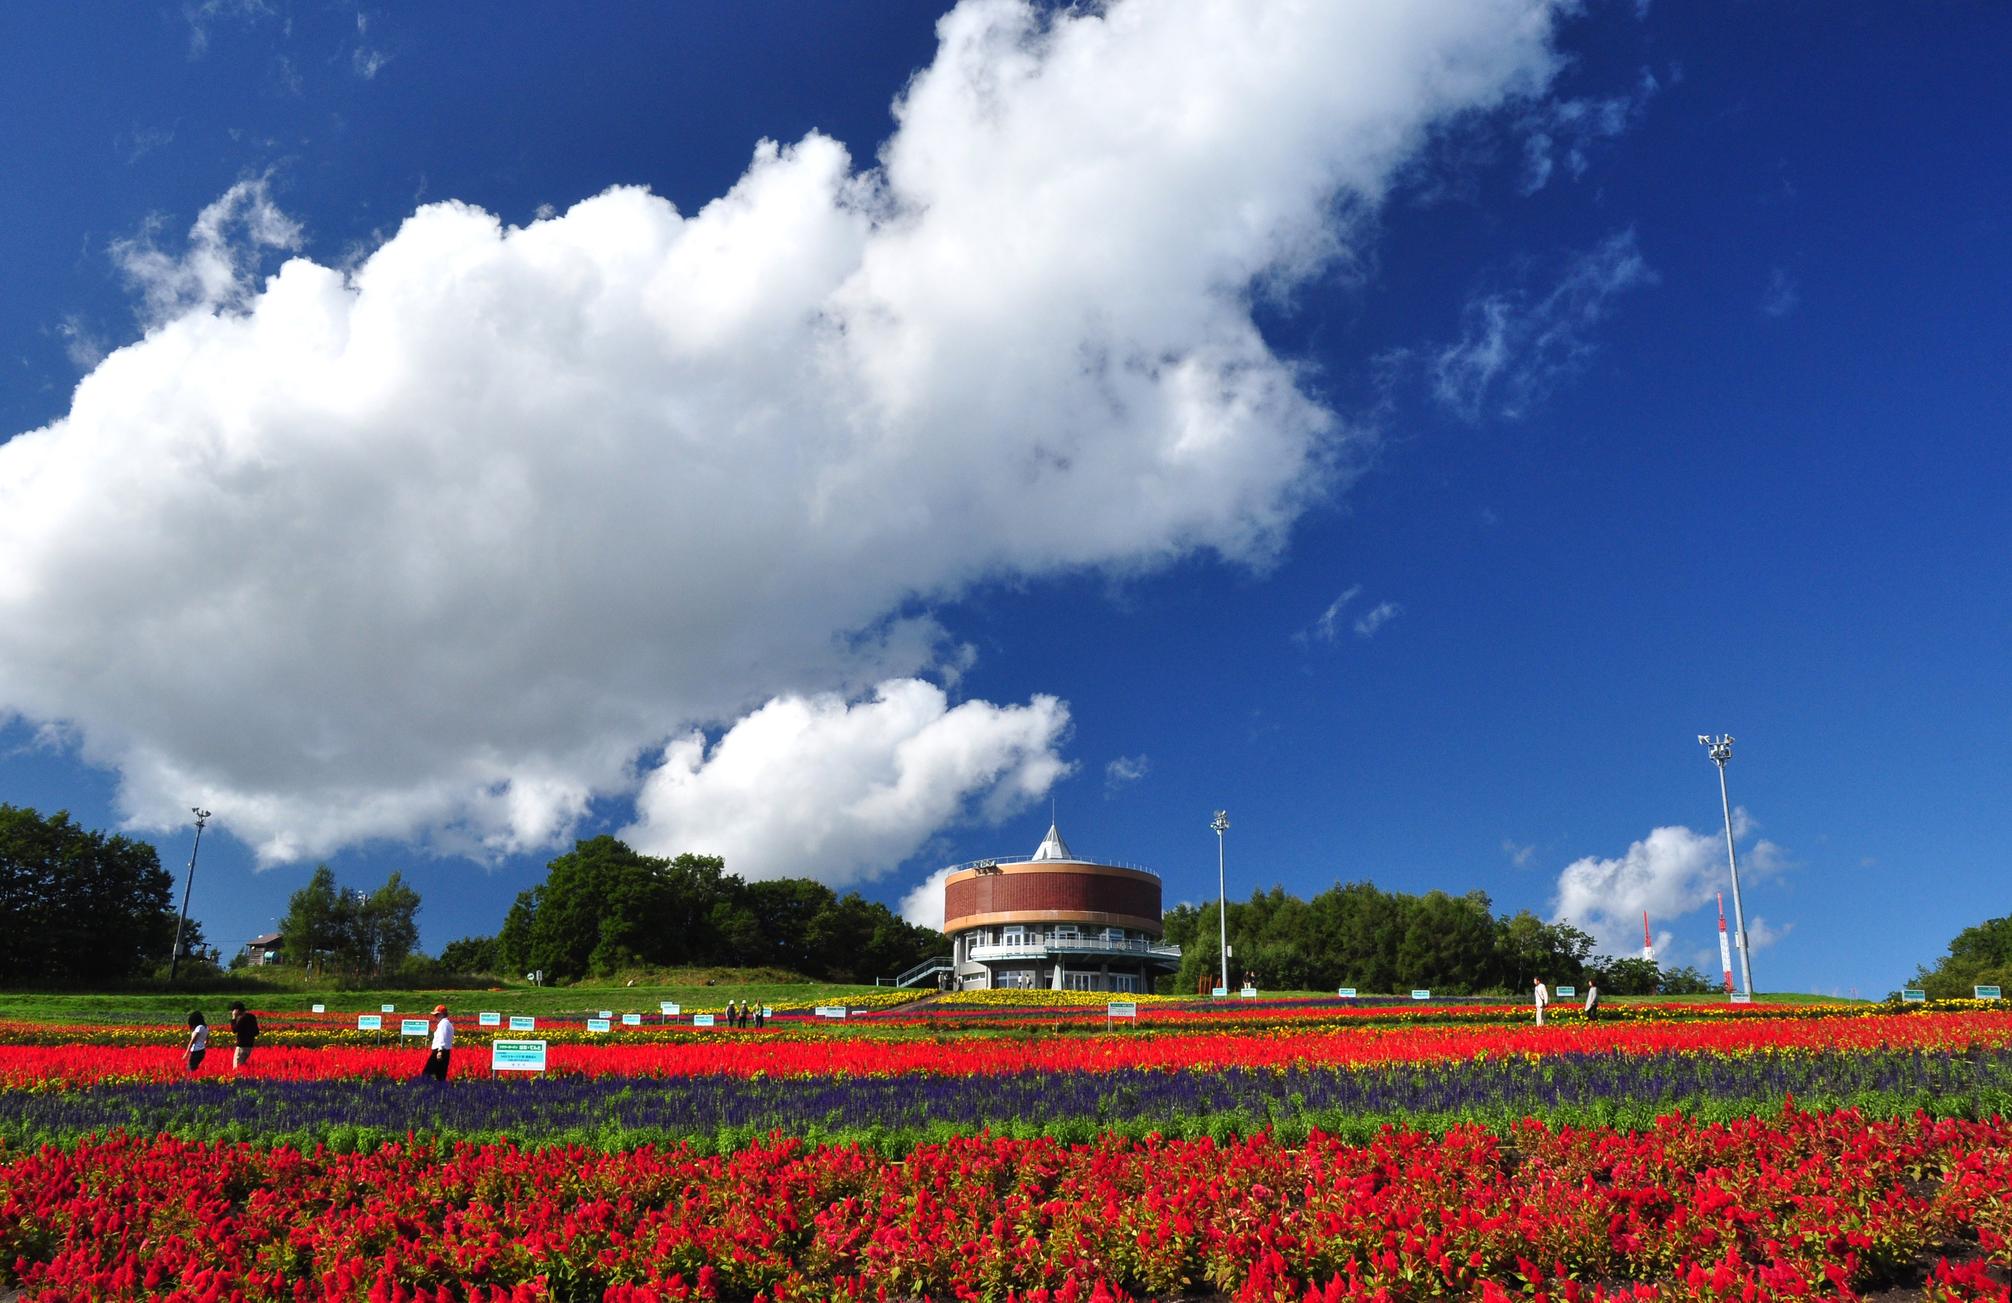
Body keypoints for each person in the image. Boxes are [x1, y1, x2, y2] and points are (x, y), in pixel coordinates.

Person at [421, 1004, 453, 1080]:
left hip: (439, 1052)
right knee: (440, 1075)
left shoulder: (443, 1024)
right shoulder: (448, 1023)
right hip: (445, 1051)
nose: (435, 1017)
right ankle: (442, 1090)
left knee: (426, 1073)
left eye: (436, 1015)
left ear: (441, 1014)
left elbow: (443, 1037)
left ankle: (426, 1088)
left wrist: (440, 1051)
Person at [227, 1001, 259, 1069]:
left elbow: (234, 1030)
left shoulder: (242, 1018)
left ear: (237, 1010)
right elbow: (256, 1032)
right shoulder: (252, 1017)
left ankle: (239, 1079)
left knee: (237, 1067)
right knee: (243, 1066)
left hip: (241, 1046)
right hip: (250, 1045)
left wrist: (233, 1017)